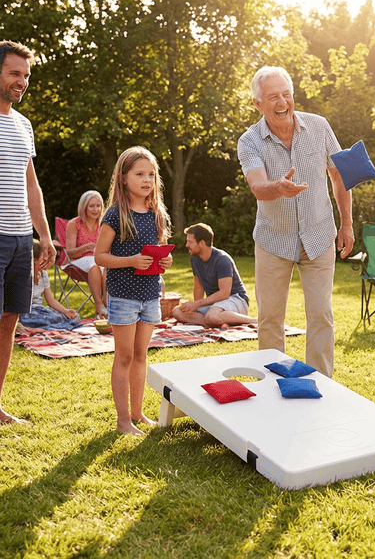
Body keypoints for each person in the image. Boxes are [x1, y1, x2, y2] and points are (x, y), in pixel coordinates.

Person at [237, 66, 354, 378]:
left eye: (286, 94)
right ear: (257, 103)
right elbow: (258, 186)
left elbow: (340, 176)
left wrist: (347, 224)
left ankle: (320, 386)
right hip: (274, 240)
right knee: (270, 319)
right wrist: (278, 188)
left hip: (318, 236)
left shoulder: (319, 126)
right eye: (273, 96)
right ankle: (274, 384)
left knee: (321, 315)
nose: (282, 102)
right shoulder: (249, 141)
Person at [95, 146, 172, 436]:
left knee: (141, 355)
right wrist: (129, 260)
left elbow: (160, 250)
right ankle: (123, 421)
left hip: (150, 295)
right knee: (124, 357)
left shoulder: (156, 213)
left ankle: (138, 414)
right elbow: (99, 256)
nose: (146, 179)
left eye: (151, 174)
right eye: (139, 174)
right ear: (123, 177)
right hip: (123, 296)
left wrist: (167, 259)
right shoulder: (115, 215)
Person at [0, 40, 56, 425]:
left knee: (10, 321)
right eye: (14, 73)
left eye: (26, 75)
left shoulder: (23, 124)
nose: (22, 81)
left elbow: (30, 185)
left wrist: (46, 236)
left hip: (22, 240)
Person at [172, 223, 257, 328]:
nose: (186, 245)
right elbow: (198, 285)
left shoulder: (222, 260)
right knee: (177, 311)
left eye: (190, 242)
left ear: (202, 243)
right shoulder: (194, 258)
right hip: (215, 304)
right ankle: (217, 322)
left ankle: (254, 321)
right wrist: (195, 306)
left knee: (211, 316)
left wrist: (197, 304)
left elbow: (224, 293)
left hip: (235, 299)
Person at [18, 240, 81, 333]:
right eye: (43, 256)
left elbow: (50, 300)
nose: (46, 259)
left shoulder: (43, 274)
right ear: (34, 259)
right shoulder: (21, 276)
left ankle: (42, 328)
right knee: (47, 318)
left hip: (40, 310)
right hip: (26, 313)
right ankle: (32, 328)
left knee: (75, 317)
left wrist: (65, 311)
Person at [65, 190, 107, 319]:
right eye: (92, 206)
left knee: (107, 265)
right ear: (84, 207)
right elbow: (70, 252)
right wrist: (85, 248)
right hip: (76, 261)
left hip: (98, 259)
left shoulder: (104, 224)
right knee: (93, 263)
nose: (95, 210)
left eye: (98, 206)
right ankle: (99, 305)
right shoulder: (74, 224)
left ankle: (107, 302)